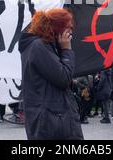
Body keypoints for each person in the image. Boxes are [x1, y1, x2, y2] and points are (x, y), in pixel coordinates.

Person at [18, 8, 83, 140]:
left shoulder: (46, 46)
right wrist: (66, 50)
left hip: (52, 120)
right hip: (50, 123)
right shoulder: (39, 46)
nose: (71, 32)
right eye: (68, 27)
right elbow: (63, 78)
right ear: (57, 27)